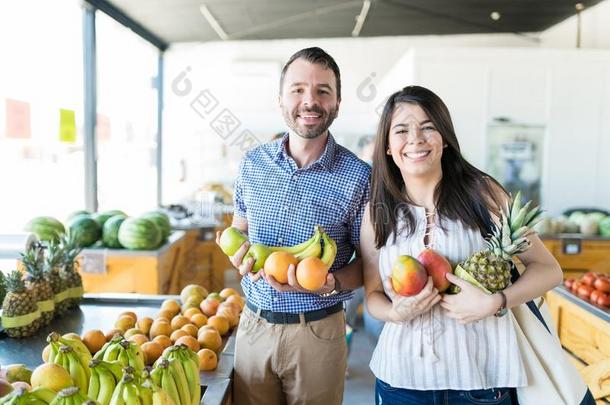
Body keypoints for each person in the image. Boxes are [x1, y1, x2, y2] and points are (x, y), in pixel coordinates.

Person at [360, 85, 563, 404]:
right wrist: (395, 312)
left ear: (444, 137)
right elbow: (372, 294)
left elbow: (549, 270)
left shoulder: (483, 194)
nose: (415, 139)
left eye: (428, 127)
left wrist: (495, 301)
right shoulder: (377, 212)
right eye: (401, 130)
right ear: (387, 146)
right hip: (401, 380)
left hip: (481, 381)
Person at [217, 47, 370, 405]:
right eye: (298, 89)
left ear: (337, 103)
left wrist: (331, 284)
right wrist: (236, 254)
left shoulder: (359, 177)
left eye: (322, 91)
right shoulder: (253, 163)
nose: (310, 101)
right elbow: (239, 227)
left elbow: (369, 265)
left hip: (317, 330)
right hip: (254, 325)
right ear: (281, 100)